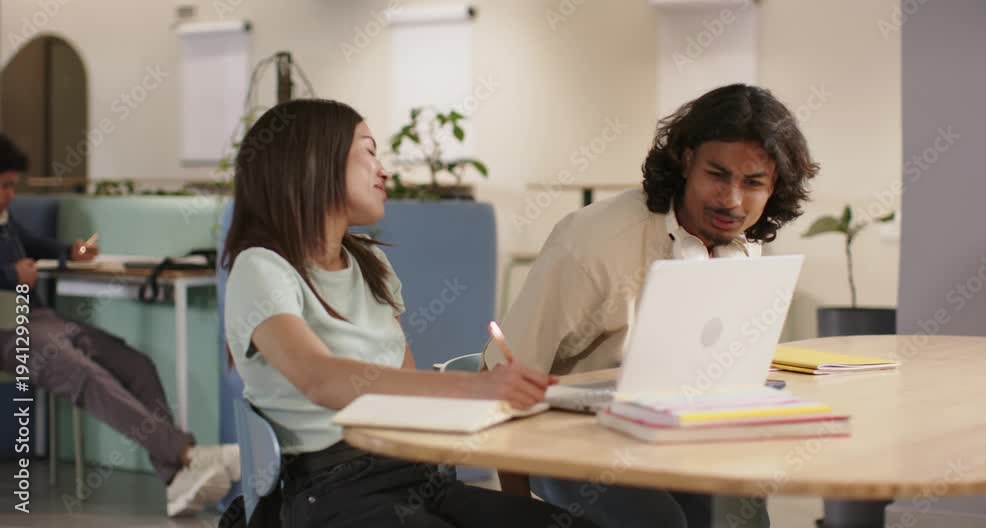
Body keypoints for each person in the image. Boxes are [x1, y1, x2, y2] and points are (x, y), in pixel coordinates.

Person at [222, 98, 599, 528]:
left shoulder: (372, 265)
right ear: (312, 163)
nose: (384, 171)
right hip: (330, 492)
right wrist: (475, 388)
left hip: (416, 476)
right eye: (368, 152)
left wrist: (504, 405)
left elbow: (405, 393)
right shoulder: (261, 267)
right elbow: (319, 378)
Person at [483, 84, 820, 528]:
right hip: (571, 438)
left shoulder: (740, 245)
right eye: (717, 175)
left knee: (741, 513)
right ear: (686, 160)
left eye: (753, 182)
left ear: (774, 186)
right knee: (661, 522)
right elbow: (499, 378)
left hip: (677, 429)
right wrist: (517, 510)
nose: (732, 200)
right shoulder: (594, 243)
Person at [0, 133, 240, 517]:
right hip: (8, 330)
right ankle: (186, 454)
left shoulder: (6, 221)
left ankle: (176, 481)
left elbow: (40, 246)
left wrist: (72, 251)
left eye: (13, 186)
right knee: (83, 373)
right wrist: (11, 276)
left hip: (40, 320)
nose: (10, 195)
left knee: (135, 365)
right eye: (4, 186)